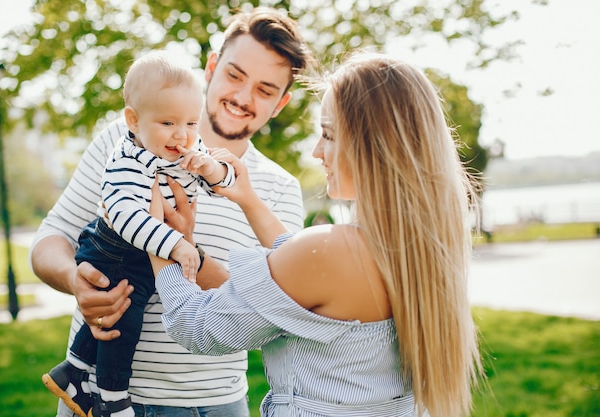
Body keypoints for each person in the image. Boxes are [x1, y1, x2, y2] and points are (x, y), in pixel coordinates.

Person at [149, 52, 483, 417]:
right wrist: (249, 200)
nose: (316, 151)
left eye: (328, 135)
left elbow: (196, 326)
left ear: (374, 146)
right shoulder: (417, 251)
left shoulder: (329, 252)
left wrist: (158, 241)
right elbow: (300, 263)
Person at [29, 7, 314, 417]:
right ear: (211, 67)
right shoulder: (125, 137)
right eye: (235, 75)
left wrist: (184, 250)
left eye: (265, 89)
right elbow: (50, 238)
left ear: (281, 103)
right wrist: (75, 280)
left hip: (212, 404)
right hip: (93, 397)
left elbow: (273, 310)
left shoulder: (278, 190)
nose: (242, 97)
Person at [41, 50, 236, 417]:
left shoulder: (187, 147)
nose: (182, 135)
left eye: (192, 124)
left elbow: (222, 184)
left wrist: (211, 169)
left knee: (122, 308)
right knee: (124, 323)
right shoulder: (127, 158)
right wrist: (176, 244)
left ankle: (72, 371)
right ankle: (112, 399)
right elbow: (124, 215)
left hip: (139, 255)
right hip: (111, 249)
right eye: (168, 123)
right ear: (133, 120)